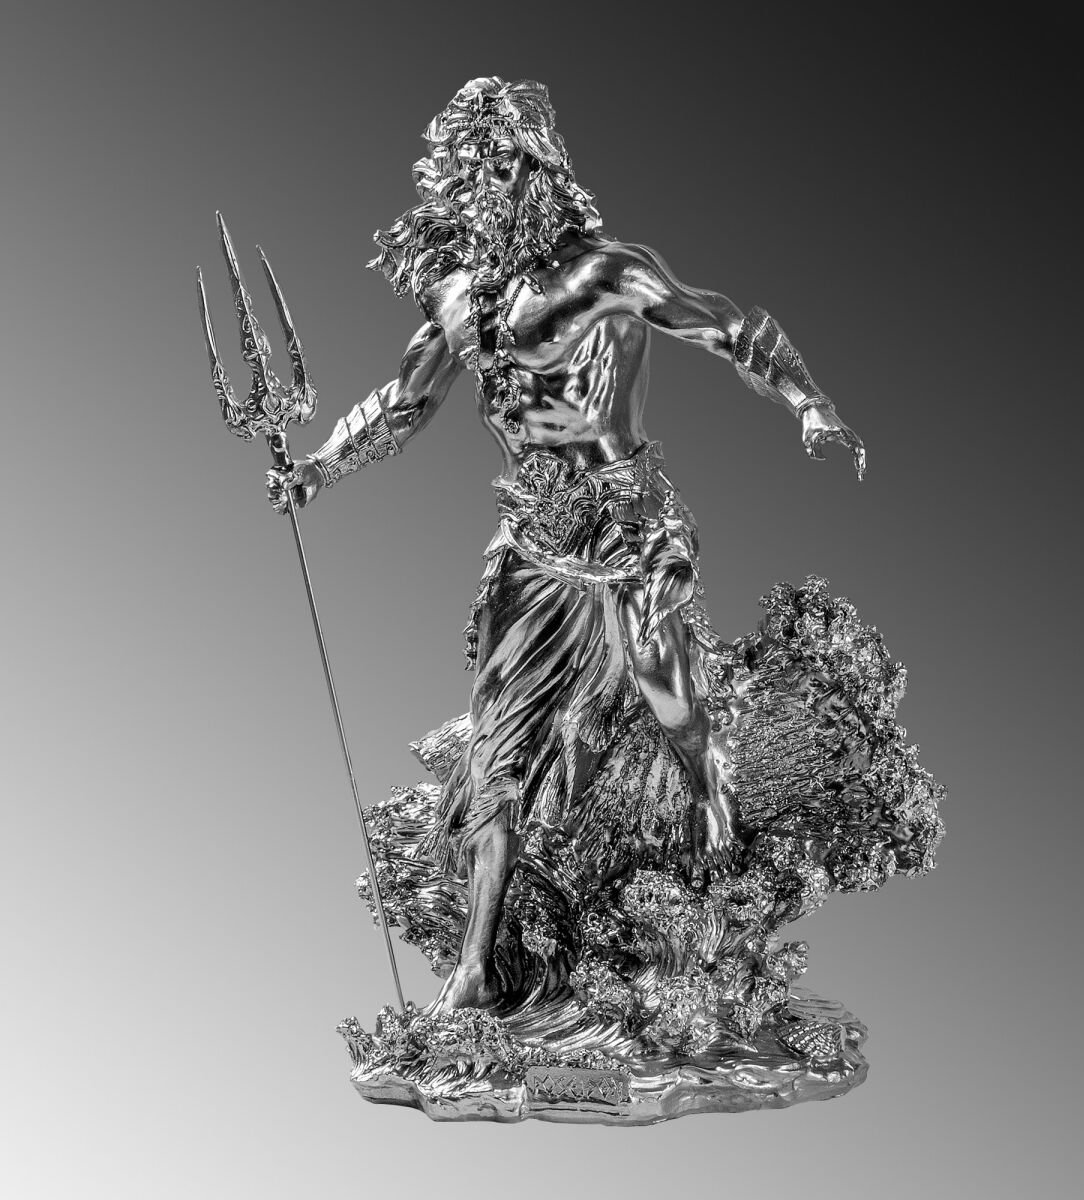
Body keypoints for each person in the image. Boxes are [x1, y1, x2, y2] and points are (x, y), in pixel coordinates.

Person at [267, 77, 864, 1012]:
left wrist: (809, 404)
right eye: (475, 171)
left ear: (541, 170)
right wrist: (318, 468)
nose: (490, 185)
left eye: (506, 165)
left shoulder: (602, 274)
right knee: (496, 748)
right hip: (532, 538)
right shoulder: (459, 296)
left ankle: (709, 788)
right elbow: (405, 403)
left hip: (625, 524)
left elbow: (725, 325)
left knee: (668, 693)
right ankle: (475, 965)